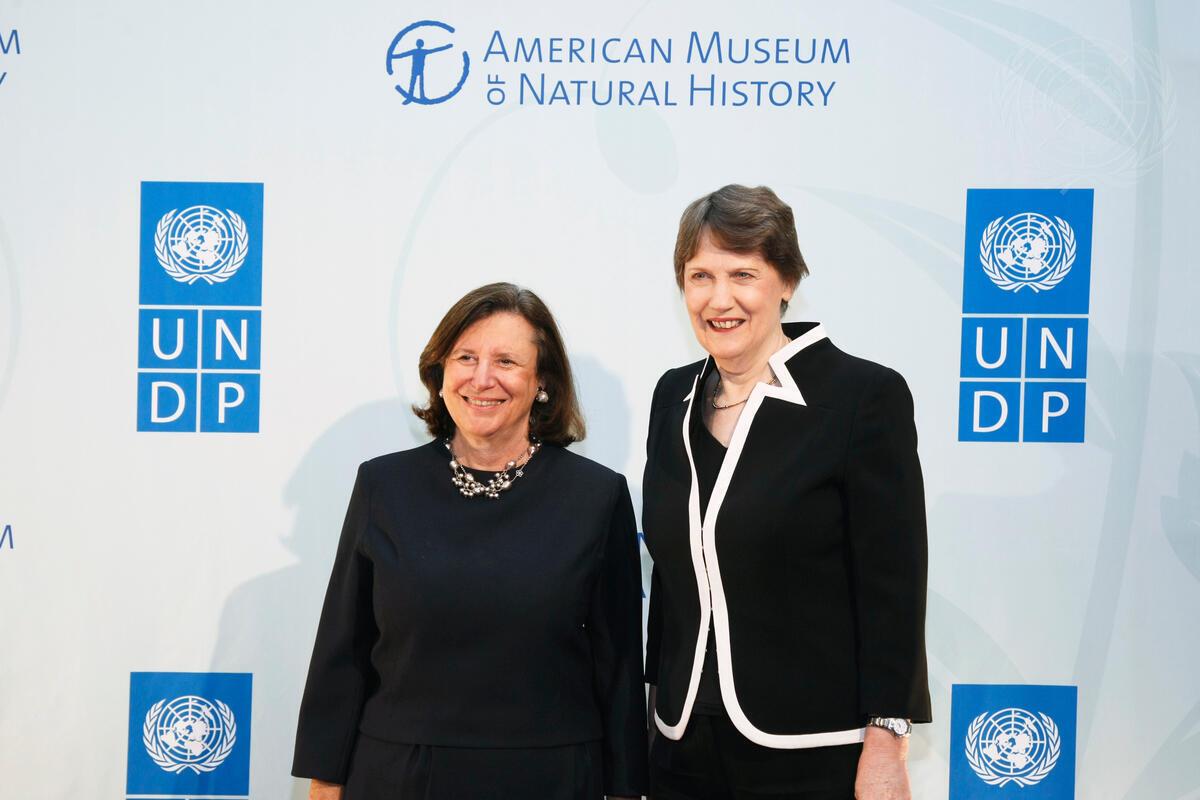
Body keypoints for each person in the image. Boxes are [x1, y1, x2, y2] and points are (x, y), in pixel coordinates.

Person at [292, 283, 648, 800]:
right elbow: (343, 648)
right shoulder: (383, 486)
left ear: (542, 382)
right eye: (465, 357)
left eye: (506, 361)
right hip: (398, 775)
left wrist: (625, 789)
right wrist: (325, 781)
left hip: (550, 778)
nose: (482, 378)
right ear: (440, 372)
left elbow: (618, 666)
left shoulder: (597, 496)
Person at [642, 185, 931, 799]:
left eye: (743, 274)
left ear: (787, 282)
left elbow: (893, 586)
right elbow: (671, 581)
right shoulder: (672, 398)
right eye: (700, 276)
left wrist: (888, 741)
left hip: (813, 754)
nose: (720, 299)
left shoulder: (862, 398)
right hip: (681, 750)